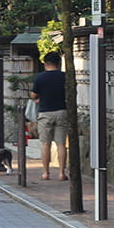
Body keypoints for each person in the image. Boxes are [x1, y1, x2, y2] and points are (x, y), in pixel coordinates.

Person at [30, 51, 68, 181]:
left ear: (45, 63)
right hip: (62, 111)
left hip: (45, 112)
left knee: (45, 144)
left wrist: (40, 97)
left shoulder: (40, 77)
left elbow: (34, 95)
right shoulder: (65, 76)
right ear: (58, 63)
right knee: (61, 144)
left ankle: (46, 173)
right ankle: (62, 173)